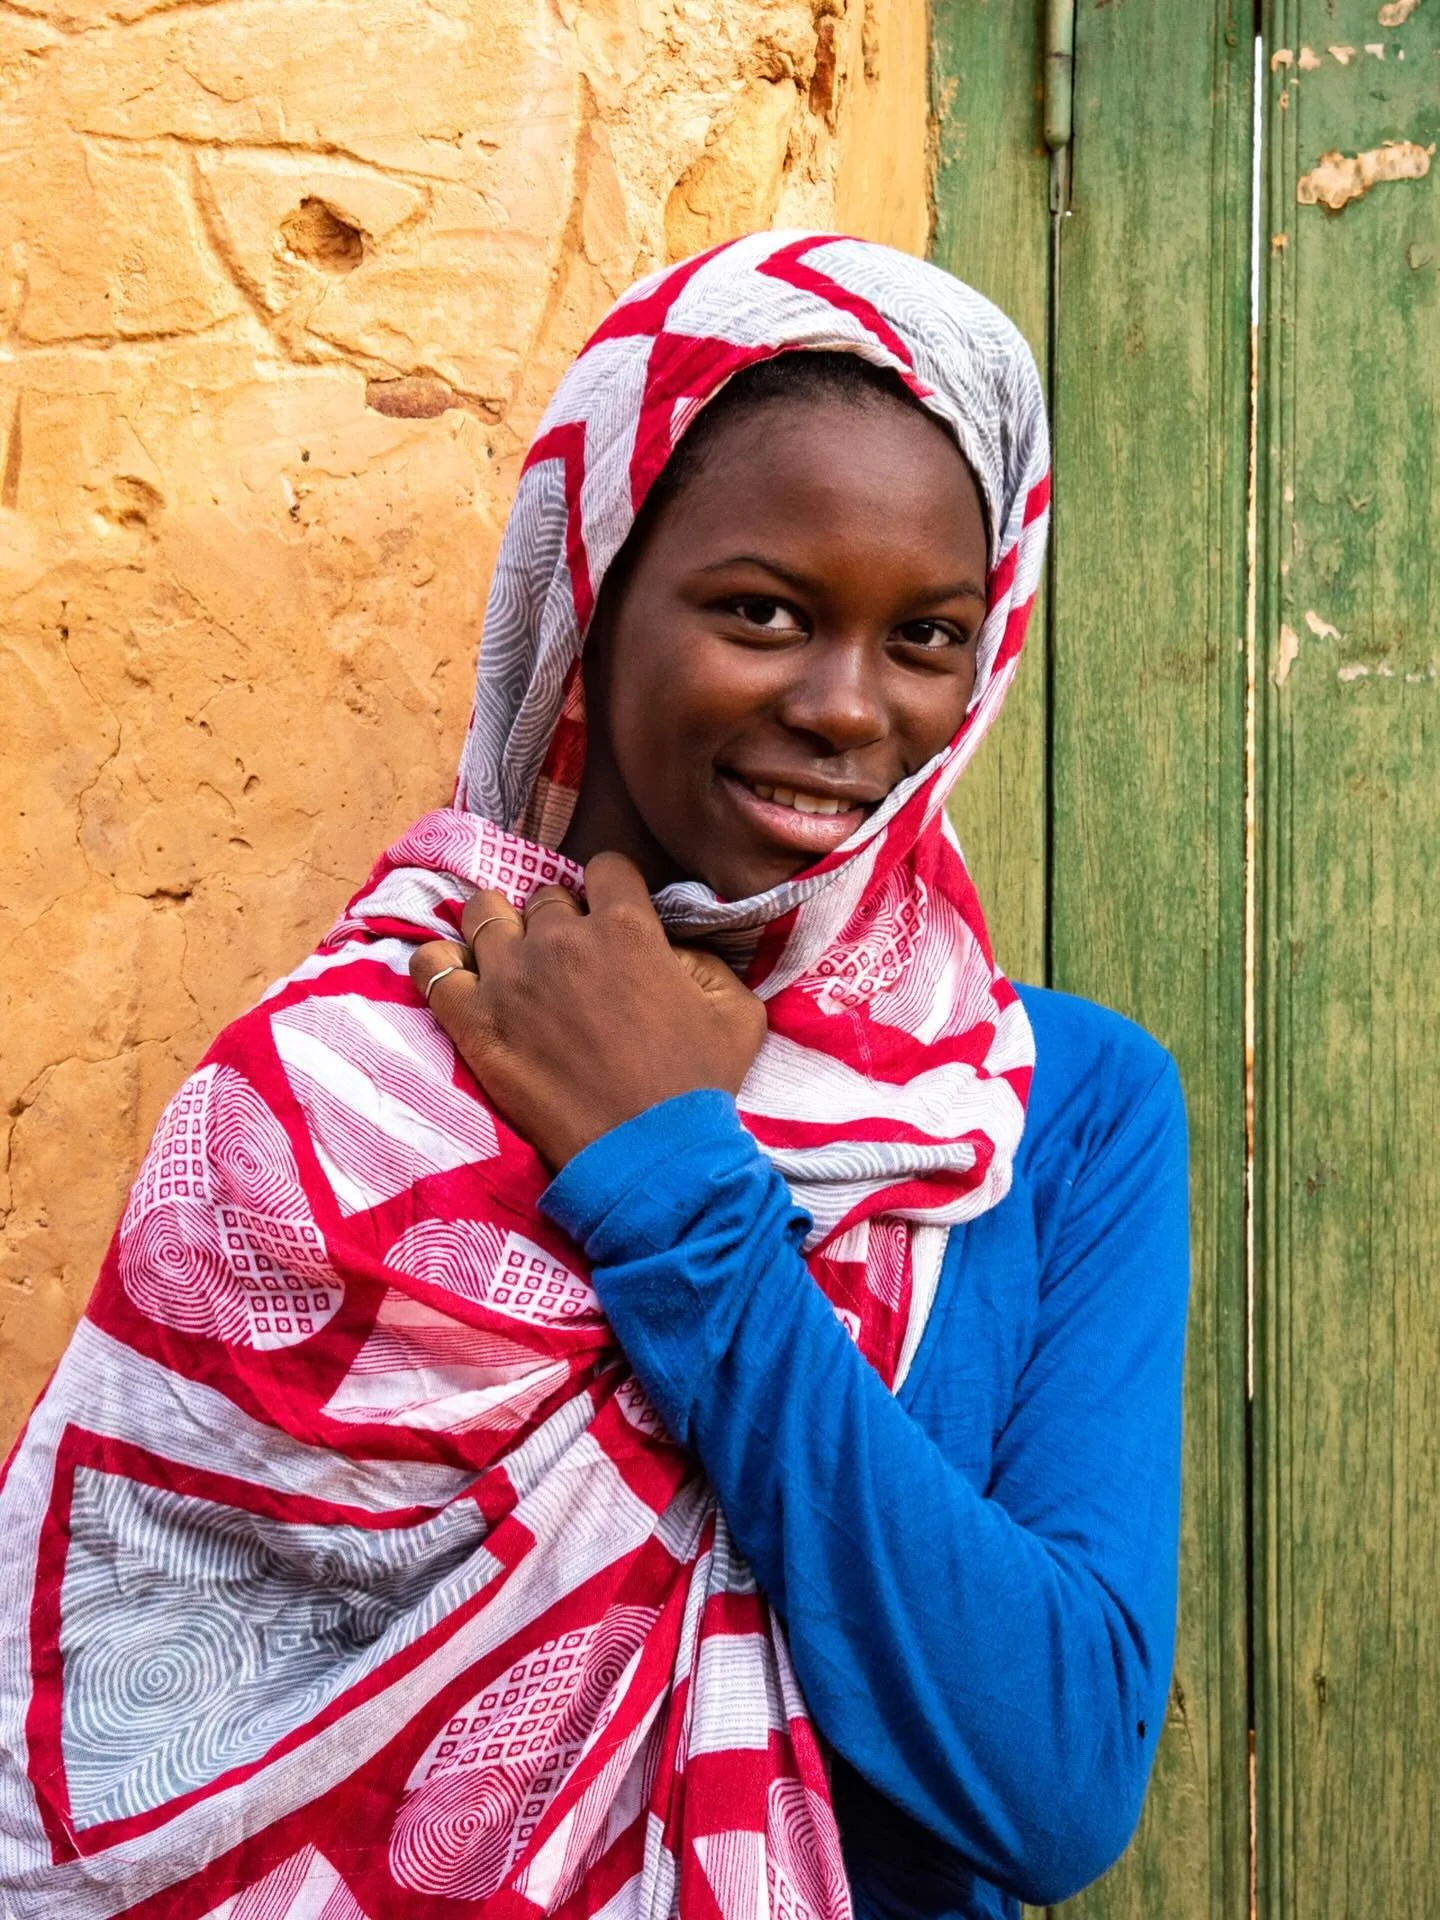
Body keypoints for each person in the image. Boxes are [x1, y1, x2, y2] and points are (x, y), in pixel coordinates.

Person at [0, 233, 1188, 1920]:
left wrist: (676, 1185)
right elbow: (113, 1764)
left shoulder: (1051, 1112)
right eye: (763, 610)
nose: (853, 710)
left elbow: (1056, 1777)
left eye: (926, 635)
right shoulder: (331, 1089)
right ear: (595, 590)